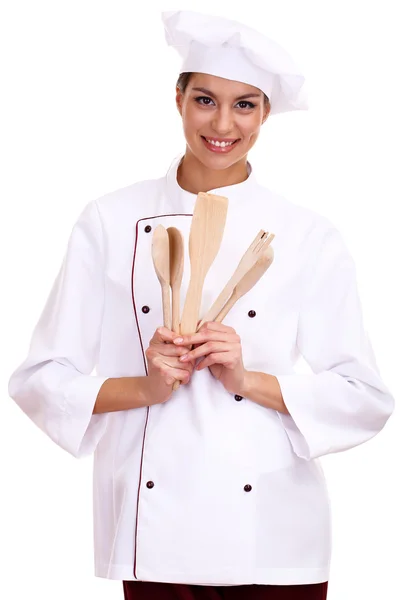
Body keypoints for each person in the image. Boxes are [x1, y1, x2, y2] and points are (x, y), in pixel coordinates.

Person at [8, 9, 394, 600]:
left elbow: (365, 397)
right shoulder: (110, 221)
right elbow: (38, 380)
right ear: (179, 99)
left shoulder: (307, 235)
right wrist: (145, 386)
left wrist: (246, 377)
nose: (222, 123)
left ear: (266, 114)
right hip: (153, 537)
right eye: (205, 100)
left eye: (245, 105)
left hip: (274, 532)